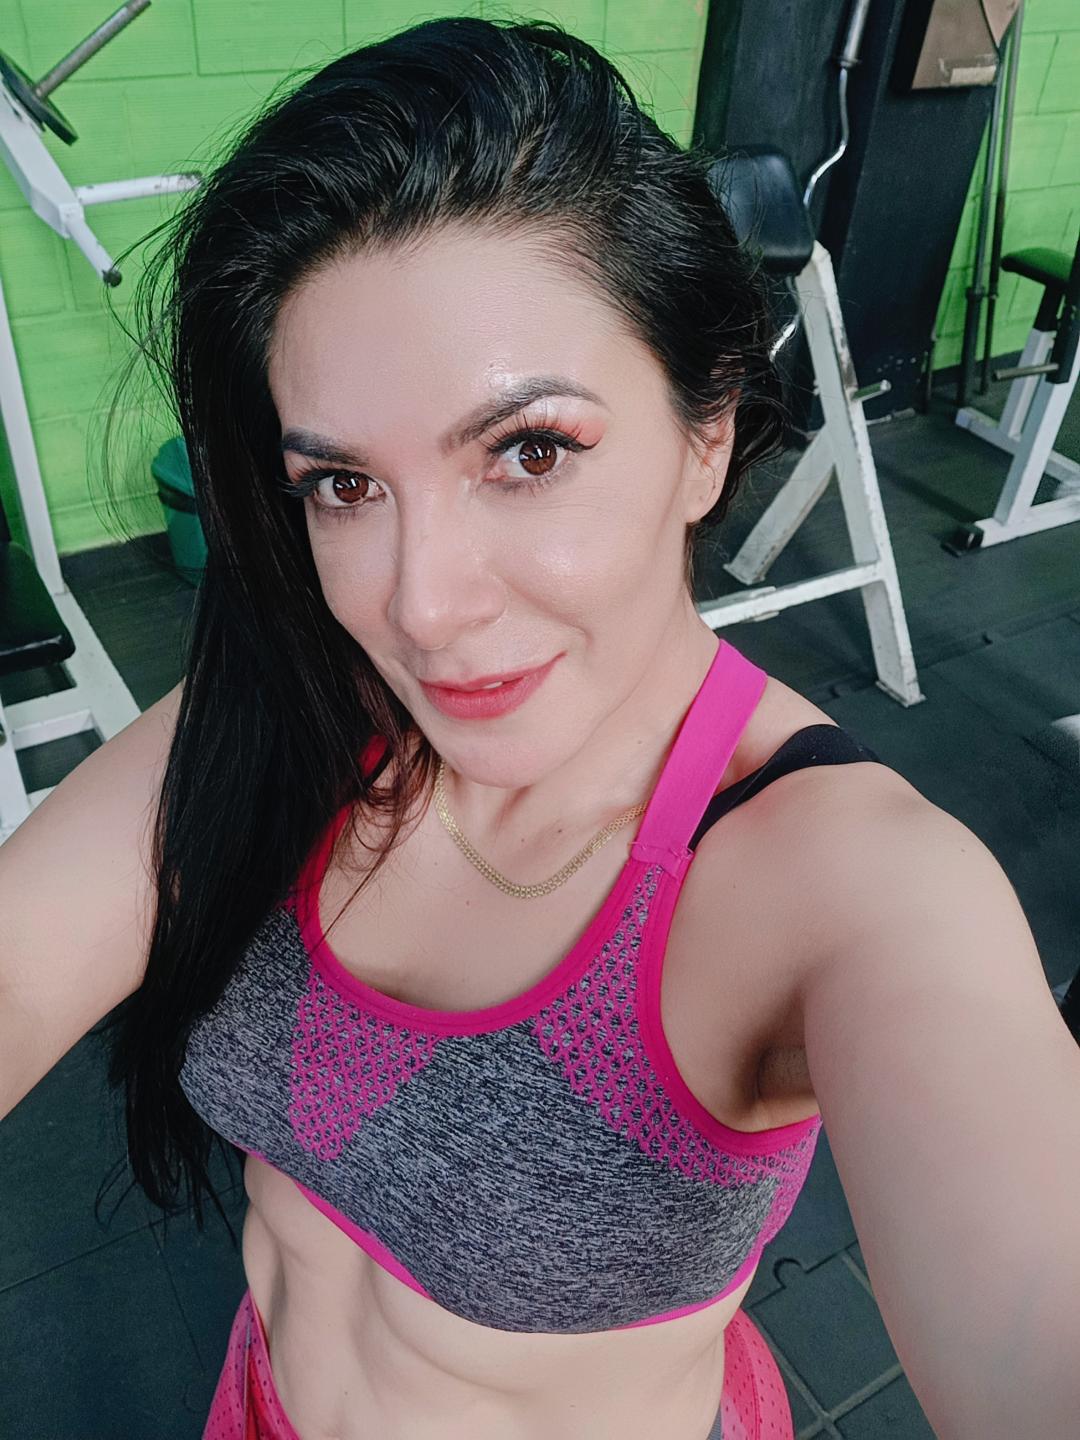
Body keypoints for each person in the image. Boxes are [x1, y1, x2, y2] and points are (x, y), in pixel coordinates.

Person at [2, 15, 1078, 1440]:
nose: (420, 606)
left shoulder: (848, 885)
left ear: (706, 435)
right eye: (344, 486)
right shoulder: (293, 713)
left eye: (529, 451)